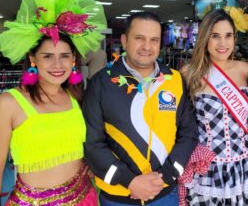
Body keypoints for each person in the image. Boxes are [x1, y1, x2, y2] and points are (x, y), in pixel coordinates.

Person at [0, 0, 106, 205]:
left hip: (86, 197)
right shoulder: (8, 104)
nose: (57, 64)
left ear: (74, 60)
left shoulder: (77, 97)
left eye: (65, 56)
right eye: (47, 56)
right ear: (32, 59)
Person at [83, 11, 198, 206]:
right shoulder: (100, 83)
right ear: (124, 40)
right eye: (139, 38)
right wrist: (130, 181)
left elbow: (188, 134)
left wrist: (164, 178)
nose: (147, 46)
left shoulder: (175, 80)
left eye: (154, 40)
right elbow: (92, 143)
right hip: (118, 198)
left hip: (165, 194)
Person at [180, 9, 248, 206]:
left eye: (228, 36)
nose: (223, 43)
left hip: (241, 163)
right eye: (215, 36)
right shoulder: (189, 73)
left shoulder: (245, 70)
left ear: (235, 38)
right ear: (205, 39)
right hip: (206, 165)